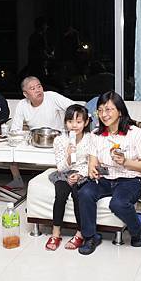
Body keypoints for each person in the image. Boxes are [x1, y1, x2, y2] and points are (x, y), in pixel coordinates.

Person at [78, 91, 141, 255]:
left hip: (130, 180)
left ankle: (138, 229)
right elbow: (92, 161)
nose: (104, 114)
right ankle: (90, 237)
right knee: (85, 193)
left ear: (120, 111)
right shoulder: (96, 134)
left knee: (117, 203)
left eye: (108, 109)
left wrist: (125, 162)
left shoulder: (135, 133)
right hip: (105, 179)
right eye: (100, 110)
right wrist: (92, 170)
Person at [6, 76, 74, 189]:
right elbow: (15, 130)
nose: (38, 90)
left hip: (57, 140)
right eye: (33, 88)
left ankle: (66, 181)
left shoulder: (52, 97)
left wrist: (71, 123)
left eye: (39, 86)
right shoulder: (22, 105)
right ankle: (17, 180)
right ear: (25, 94)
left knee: (71, 149)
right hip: (35, 141)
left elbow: (74, 107)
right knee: (11, 148)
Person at [45, 104, 91, 251]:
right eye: (70, 121)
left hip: (82, 173)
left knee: (78, 195)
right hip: (64, 173)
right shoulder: (59, 140)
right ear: (65, 122)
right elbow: (60, 167)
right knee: (61, 194)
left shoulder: (90, 139)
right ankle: (56, 233)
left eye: (78, 122)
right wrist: (69, 157)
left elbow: (91, 163)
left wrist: (79, 175)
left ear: (86, 122)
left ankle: (80, 233)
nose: (74, 125)